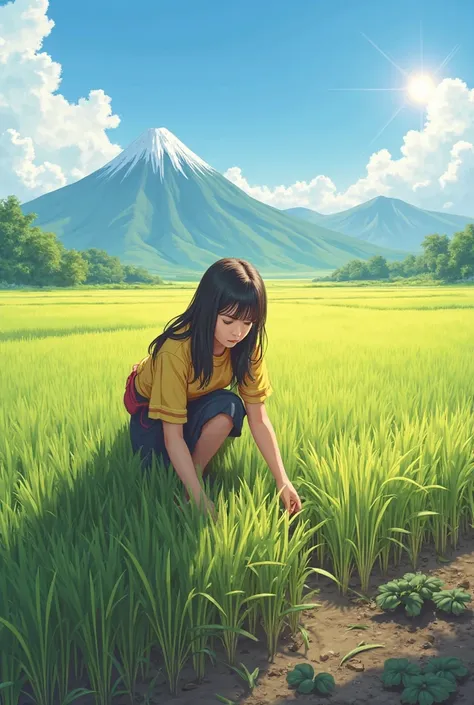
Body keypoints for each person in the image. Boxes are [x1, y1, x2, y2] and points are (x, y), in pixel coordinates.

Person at [124, 257, 302, 519]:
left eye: (248, 322)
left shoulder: (248, 346)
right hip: (151, 411)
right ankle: (191, 488)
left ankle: (191, 483)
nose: (238, 332)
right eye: (229, 321)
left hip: (198, 399)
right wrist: (200, 499)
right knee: (155, 473)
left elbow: (258, 417)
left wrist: (282, 479)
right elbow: (172, 436)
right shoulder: (175, 351)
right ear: (208, 311)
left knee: (230, 407)